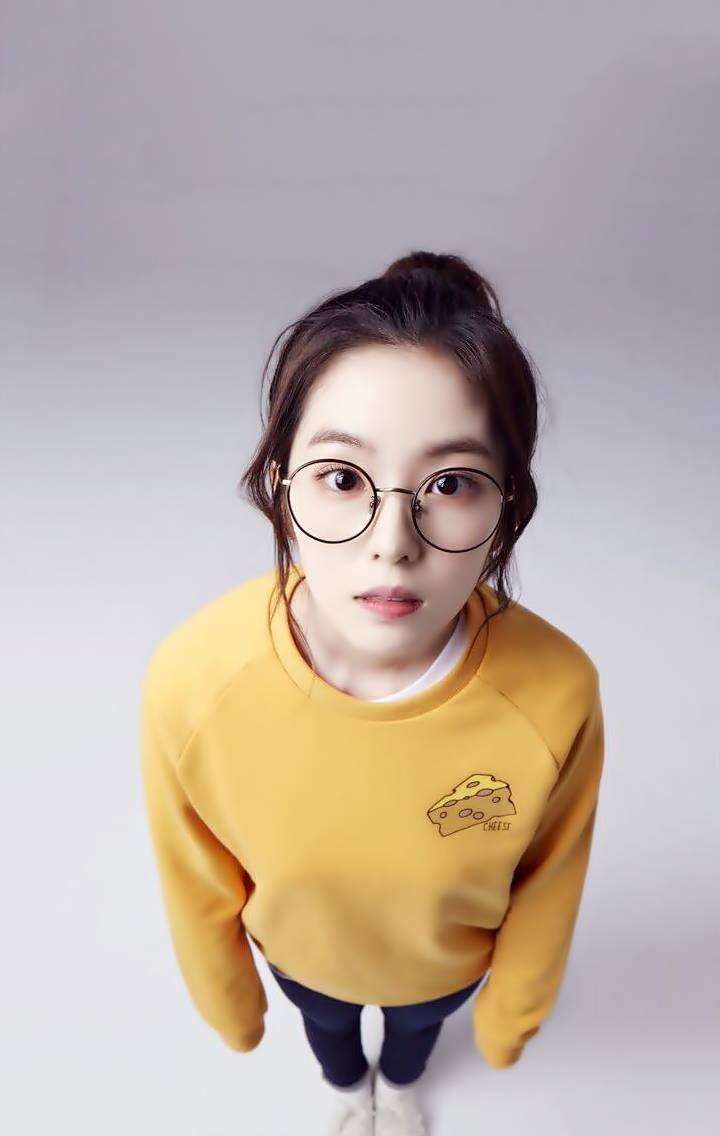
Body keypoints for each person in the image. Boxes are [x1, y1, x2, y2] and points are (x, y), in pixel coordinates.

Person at [139, 251, 606, 1136]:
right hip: (303, 966)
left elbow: (552, 880)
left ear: (507, 504)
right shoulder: (195, 678)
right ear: (279, 485)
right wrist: (231, 1003)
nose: (393, 543)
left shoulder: (556, 692)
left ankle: (399, 1090)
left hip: (443, 975)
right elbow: (192, 872)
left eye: (451, 484)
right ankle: (350, 1092)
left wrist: (510, 1019)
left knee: (413, 1044)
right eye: (343, 478)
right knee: (332, 1042)